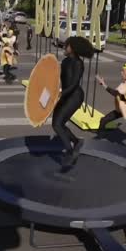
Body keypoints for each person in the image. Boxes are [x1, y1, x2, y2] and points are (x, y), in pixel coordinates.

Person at [52, 37, 94, 166]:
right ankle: (76, 142)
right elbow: (59, 79)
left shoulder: (78, 63)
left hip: (75, 96)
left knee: (58, 125)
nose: (64, 47)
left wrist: (59, 94)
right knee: (56, 124)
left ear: (73, 49)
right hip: (65, 95)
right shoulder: (64, 62)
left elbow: (74, 84)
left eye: (67, 46)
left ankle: (70, 153)